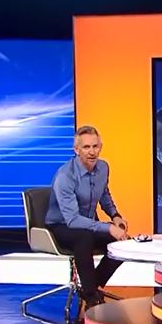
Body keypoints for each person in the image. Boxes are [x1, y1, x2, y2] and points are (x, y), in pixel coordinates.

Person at [45, 125, 129, 306]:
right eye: (86, 147)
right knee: (84, 237)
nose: (92, 152)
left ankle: (90, 286)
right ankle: (91, 297)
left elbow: (104, 194)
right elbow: (73, 220)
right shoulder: (65, 176)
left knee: (122, 243)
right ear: (76, 150)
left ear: (101, 147)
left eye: (95, 146)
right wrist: (108, 227)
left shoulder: (103, 167)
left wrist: (115, 216)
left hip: (88, 224)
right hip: (62, 225)